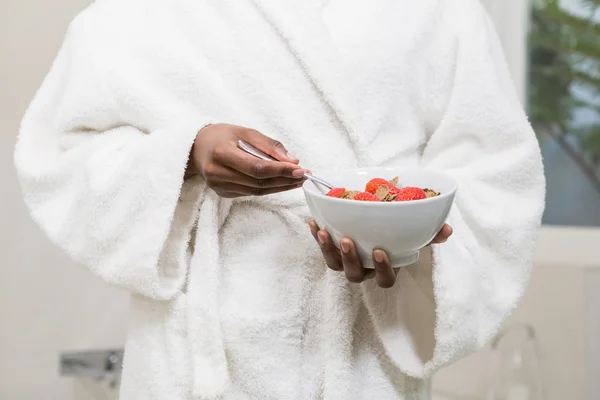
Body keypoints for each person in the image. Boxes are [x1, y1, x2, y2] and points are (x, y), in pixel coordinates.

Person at [14, 0, 545, 399]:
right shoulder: (132, 12)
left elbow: (494, 167)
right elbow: (61, 155)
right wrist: (186, 155)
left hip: (358, 359)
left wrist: (411, 238)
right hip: (192, 356)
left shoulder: (436, 9)